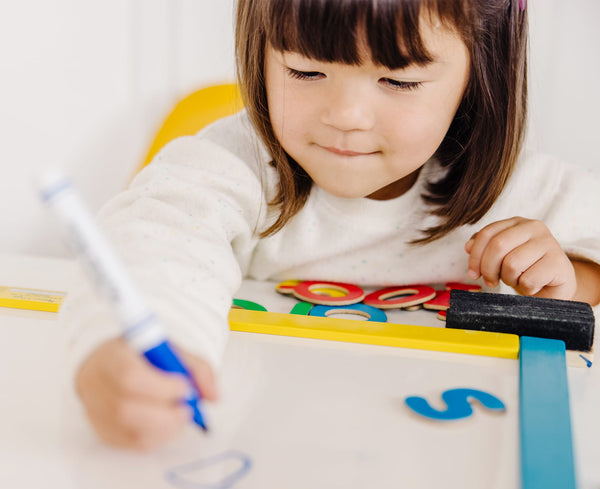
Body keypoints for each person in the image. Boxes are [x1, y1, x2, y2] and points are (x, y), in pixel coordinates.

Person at [69, 0, 600, 449]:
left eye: (397, 79)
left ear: (481, 70)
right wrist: (131, 348)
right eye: (305, 70)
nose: (345, 114)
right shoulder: (238, 165)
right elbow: (157, 242)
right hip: (263, 448)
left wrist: (569, 279)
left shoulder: (522, 189)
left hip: (440, 465)